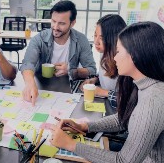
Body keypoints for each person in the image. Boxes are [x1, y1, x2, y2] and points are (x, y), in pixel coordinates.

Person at [50, 21, 164, 163]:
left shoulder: (152, 101)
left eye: (118, 52)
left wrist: (70, 144)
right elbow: (124, 118)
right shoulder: (143, 84)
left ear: (135, 56)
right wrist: (86, 126)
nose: (114, 57)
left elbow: (123, 161)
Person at [21, 0, 96, 106]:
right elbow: (28, 63)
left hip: (68, 88)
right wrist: (29, 83)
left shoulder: (81, 40)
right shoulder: (39, 39)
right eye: (53, 21)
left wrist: (71, 70)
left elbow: (91, 69)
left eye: (61, 23)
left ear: (72, 23)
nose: (55, 27)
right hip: (42, 86)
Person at [80, 14, 126, 108]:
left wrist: (103, 92)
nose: (96, 42)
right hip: (106, 104)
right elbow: (108, 75)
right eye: (95, 35)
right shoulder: (104, 53)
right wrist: (95, 80)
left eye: (102, 38)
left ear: (114, 39)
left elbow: (129, 100)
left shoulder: (125, 62)